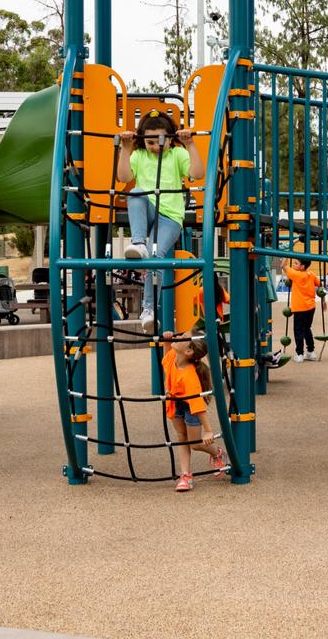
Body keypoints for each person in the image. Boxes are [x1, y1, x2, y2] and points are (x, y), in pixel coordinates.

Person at [115, 111, 205, 332]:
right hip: (147, 210)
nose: (156, 145)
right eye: (150, 141)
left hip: (170, 217)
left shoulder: (177, 154)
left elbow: (198, 173)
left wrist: (190, 144)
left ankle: (149, 309)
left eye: (160, 140)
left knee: (157, 256)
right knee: (135, 191)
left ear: (171, 138)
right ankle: (137, 242)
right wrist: (125, 149)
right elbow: (123, 178)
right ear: (142, 140)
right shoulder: (139, 156)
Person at [160, 333, 229, 492]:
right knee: (182, 439)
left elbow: (198, 406)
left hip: (191, 407)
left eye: (183, 338)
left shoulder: (190, 377)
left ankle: (217, 453)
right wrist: (167, 340)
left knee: (195, 444)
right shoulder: (173, 356)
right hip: (175, 403)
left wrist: (208, 431)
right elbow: (166, 359)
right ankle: (185, 476)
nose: (179, 336)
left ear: (189, 352)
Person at [285, 256, 320, 362]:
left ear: (302, 266)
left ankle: (299, 354)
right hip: (310, 307)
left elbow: (283, 266)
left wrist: (287, 254)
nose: (294, 265)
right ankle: (311, 352)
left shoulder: (296, 274)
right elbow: (319, 284)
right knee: (307, 329)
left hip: (300, 308)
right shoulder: (312, 274)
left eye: (296, 263)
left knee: (298, 330)